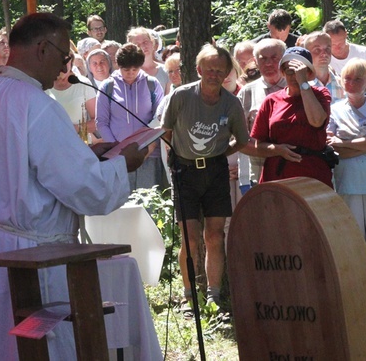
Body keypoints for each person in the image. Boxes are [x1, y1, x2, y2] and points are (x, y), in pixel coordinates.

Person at [0, 12, 149, 360]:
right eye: (64, 56)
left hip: (0, 241)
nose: (66, 67)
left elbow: (23, 166)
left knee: (2, 346)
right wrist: (123, 164)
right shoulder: (35, 104)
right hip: (37, 254)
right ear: (42, 48)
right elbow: (86, 189)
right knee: (44, 349)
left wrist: (85, 154)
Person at [162, 44, 249, 310]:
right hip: (185, 172)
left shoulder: (231, 103)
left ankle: (214, 295)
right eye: (209, 69)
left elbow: (242, 140)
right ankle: (189, 296)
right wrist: (179, 154)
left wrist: (221, 153)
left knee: (214, 235)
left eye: (219, 70)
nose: (214, 74)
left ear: (226, 73)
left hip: (215, 172)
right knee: (189, 238)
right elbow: (165, 130)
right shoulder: (181, 96)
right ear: (199, 70)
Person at [327, 59, 366, 286]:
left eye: (358, 79)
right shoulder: (334, 110)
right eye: (347, 78)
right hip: (347, 182)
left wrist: (345, 143)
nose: (351, 83)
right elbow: (330, 146)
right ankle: (359, 285)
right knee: (354, 237)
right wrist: (365, 144)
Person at [246, 46, 333, 188]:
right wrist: (278, 149)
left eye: (301, 71)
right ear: (283, 73)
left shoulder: (321, 94)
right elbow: (259, 146)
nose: (295, 77)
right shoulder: (271, 100)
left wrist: (303, 83)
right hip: (277, 176)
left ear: (310, 74)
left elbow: (317, 121)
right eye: (290, 71)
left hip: (313, 175)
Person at [96, 43, 165, 191]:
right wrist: (115, 147)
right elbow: (101, 122)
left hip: (148, 154)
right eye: (126, 69)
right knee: (122, 206)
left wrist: (148, 143)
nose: (131, 73)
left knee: (150, 203)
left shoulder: (152, 84)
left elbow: (159, 116)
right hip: (118, 157)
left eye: (135, 69)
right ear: (118, 66)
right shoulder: (107, 87)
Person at [237, 38, 287, 190]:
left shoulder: (297, 88)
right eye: (263, 59)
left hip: (294, 169)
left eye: (274, 58)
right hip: (260, 171)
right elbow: (239, 139)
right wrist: (271, 151)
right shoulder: (247, 92)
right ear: (255, 62)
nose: (269, 63)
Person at [303, 31, 345, 103]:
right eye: (317, 50)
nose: (324, 54)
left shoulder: (343, 84)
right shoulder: (302, 85)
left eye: (327, 49)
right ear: (307, 54)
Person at [127, 27, 170, 94]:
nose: (143, 46)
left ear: (152, 42)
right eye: (137, 44)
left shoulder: (165, 70)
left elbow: (169, 99)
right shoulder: (127, 72)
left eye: (145, 42)